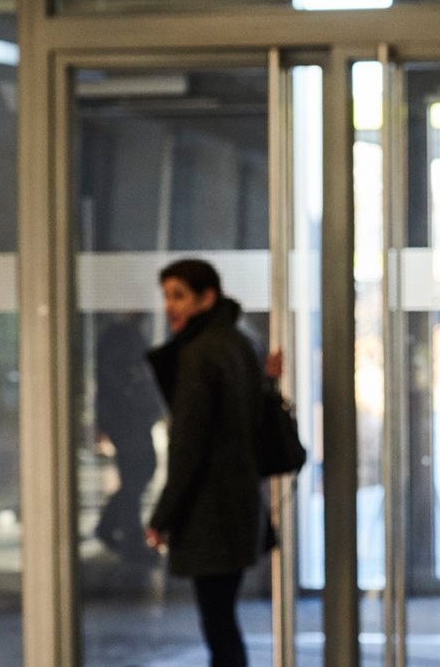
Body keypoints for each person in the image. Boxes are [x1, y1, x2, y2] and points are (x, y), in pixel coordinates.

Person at [145, 259, 276, 667]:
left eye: (179, 296)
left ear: (207, 297)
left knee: (218, 624)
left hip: (211, 513)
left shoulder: (199, 355)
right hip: (238, 506)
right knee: (223, 621)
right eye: (167, 296)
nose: (170, 306)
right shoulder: (238, 342)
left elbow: (188, 447)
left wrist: (161, 516)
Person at [92, 314, 164, 562]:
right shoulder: (118, 338)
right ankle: (127, 536)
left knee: (140, 471)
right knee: (137, 472)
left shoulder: (126, 336)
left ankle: (112, 526)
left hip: (132, 417)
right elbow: (117, 381)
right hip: (127, 418)